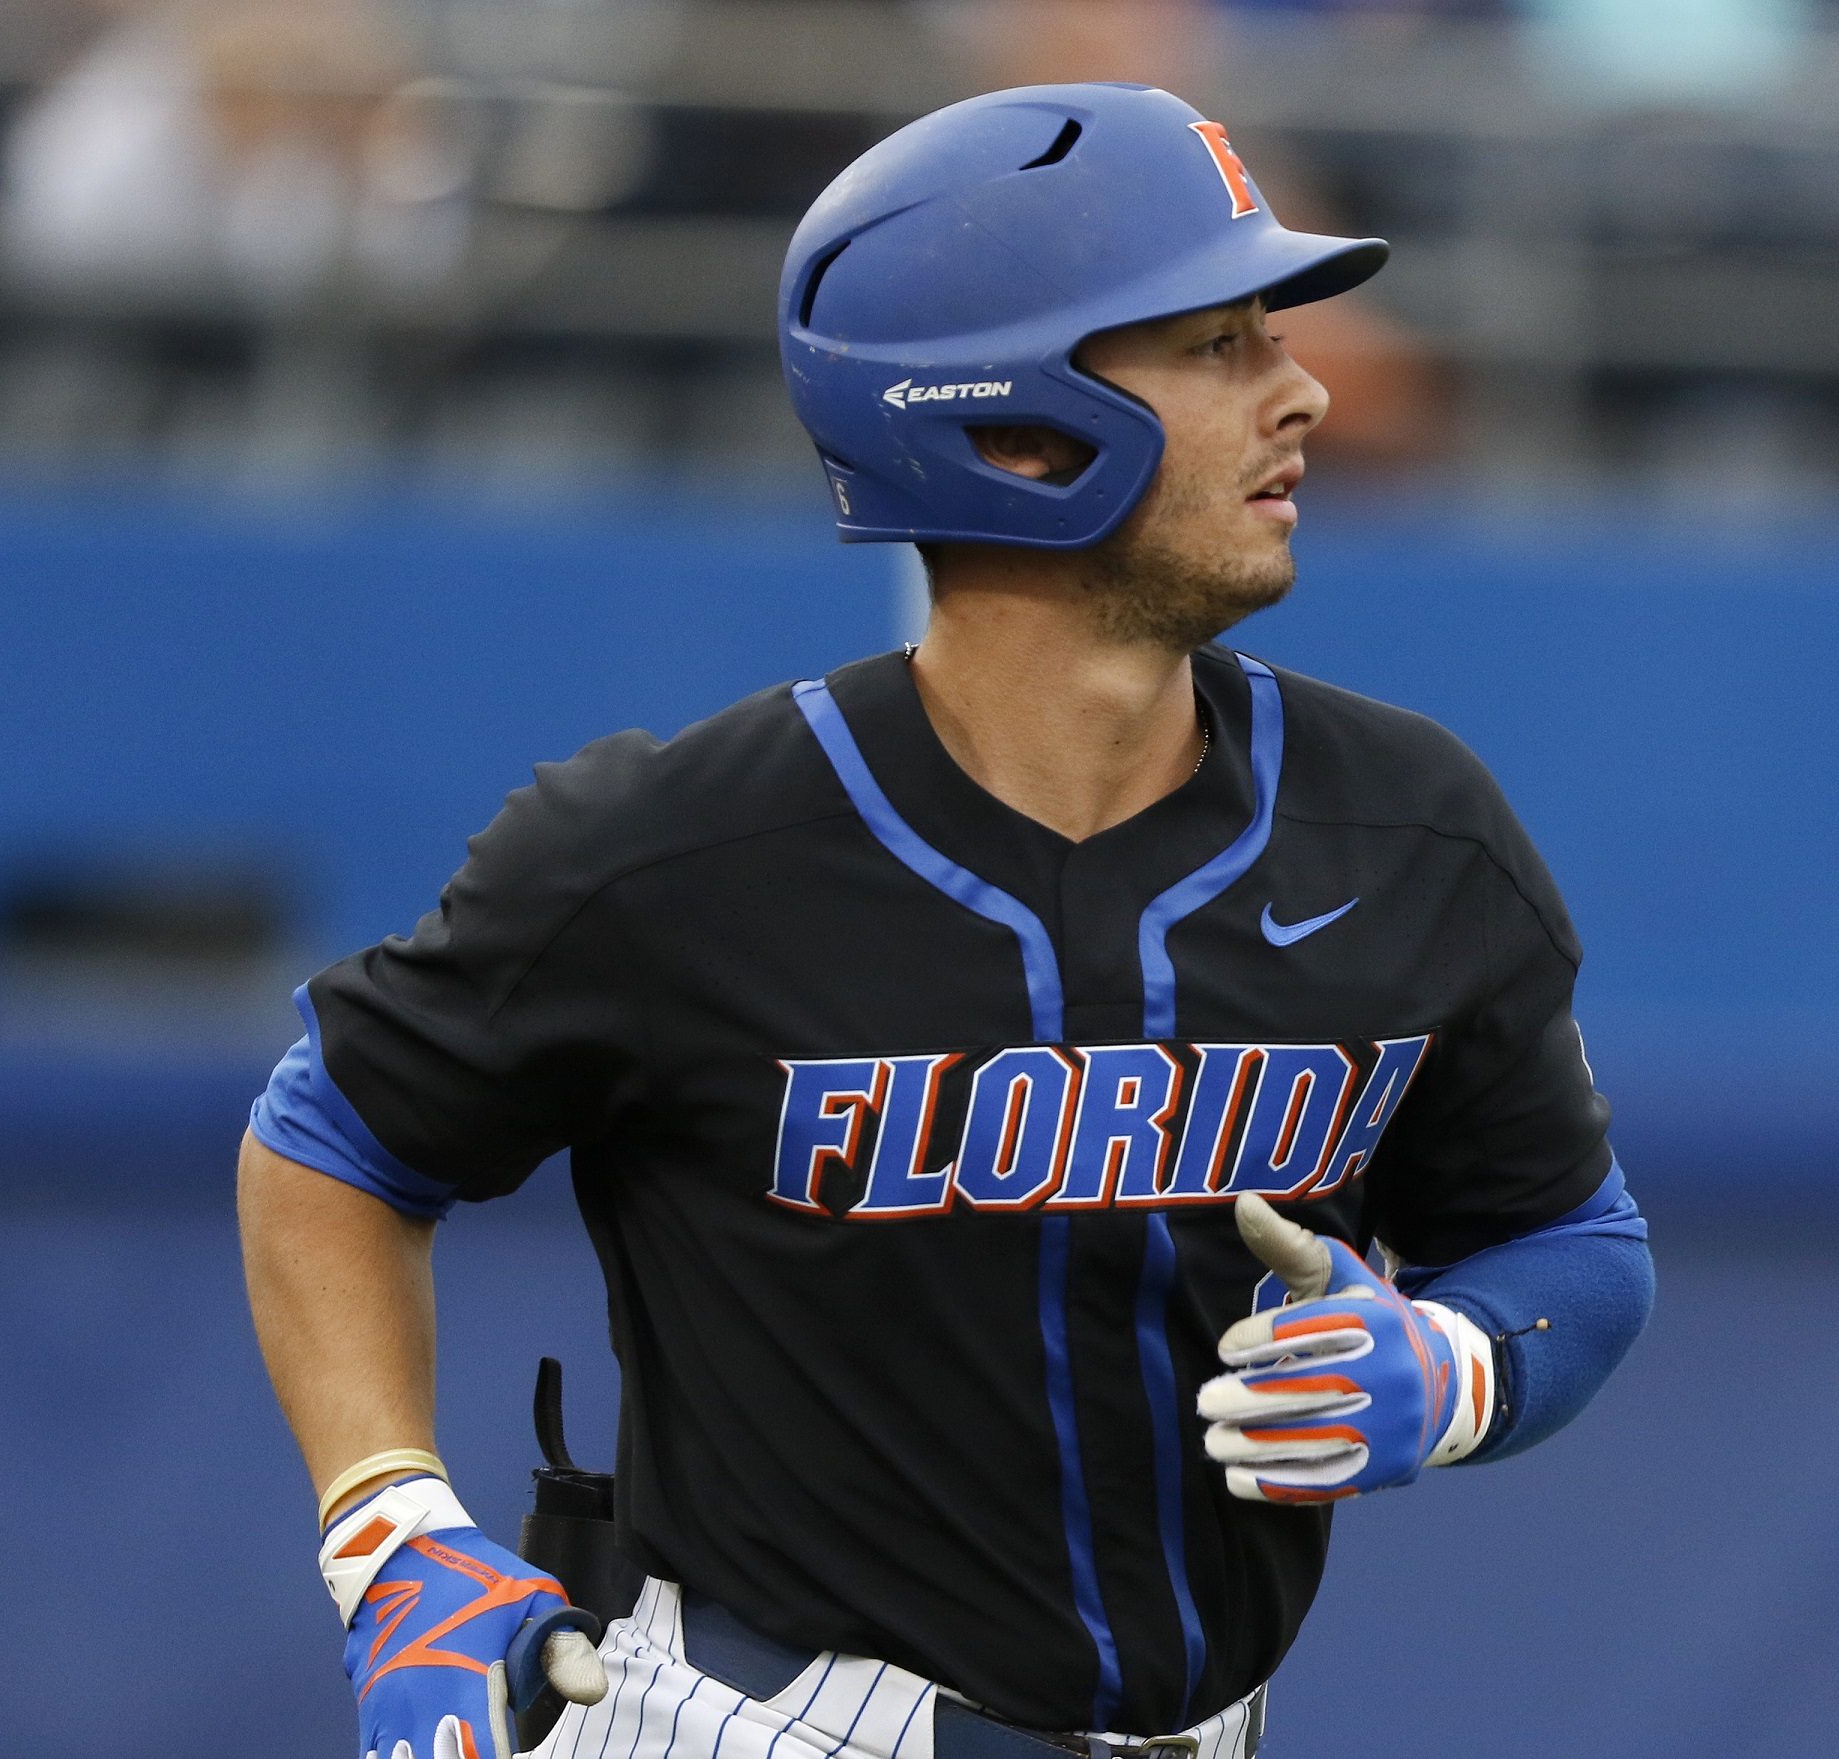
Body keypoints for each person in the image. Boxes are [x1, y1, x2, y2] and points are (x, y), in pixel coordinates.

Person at [237, 82, 1653, 1759]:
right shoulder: (674, 853)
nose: (1305, 391)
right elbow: (332, 1135)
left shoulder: (1410, 826)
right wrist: (392, 1534)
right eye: (1216, 345)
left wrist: (1458, 1366)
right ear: (1018, 430)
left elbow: (1572, 1246)